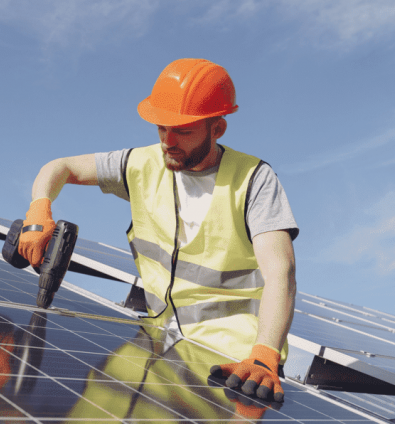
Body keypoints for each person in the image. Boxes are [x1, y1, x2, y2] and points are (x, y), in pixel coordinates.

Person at [17, 58, 298, 402]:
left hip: (234, 366)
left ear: (217, 129)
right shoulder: (141, 164)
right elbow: (60, 166)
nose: (168, 141)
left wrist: (265, 353)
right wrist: (39, 206)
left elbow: (280, 271)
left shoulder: (254, 179)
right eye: (162, 128)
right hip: (160, 345)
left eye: (183, 130)